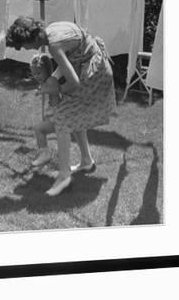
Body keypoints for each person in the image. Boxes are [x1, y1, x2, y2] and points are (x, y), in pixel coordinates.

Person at [6, 18, 116, 196]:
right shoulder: (52, 29)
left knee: (63, 118)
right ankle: (86, 161)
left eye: (24, 45)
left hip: (93, 75)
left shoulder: (54, 46)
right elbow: (73, 60)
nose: (26, 49)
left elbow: (74, 83)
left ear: (30, 38)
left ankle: (64, 174)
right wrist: (54, 81)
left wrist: (54, 89)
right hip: (95, 69)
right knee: (73, 116)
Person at [29, 53, 60, 168]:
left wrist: (42, 90)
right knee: (40, 129)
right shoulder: (45, 83)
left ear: (47, 70)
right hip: (53, 117)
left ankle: (45, 154)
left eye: (39, 73)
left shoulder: (51, 81)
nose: (36, 76)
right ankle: (48, 154)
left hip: (57, 117)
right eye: (34, 74)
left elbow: (55, 90)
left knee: (38, 129)